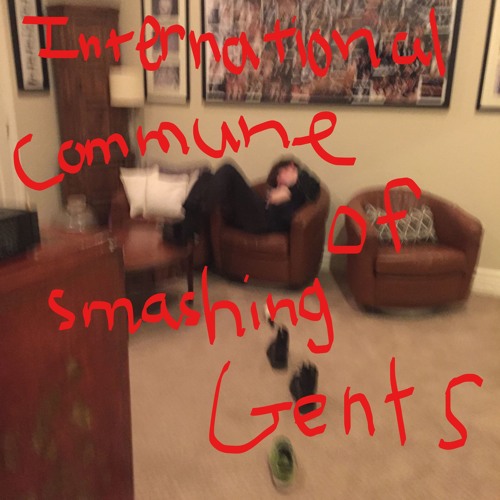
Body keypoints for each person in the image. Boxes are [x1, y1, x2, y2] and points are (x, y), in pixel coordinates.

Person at [178, 158, 320, 242]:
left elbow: (314, 188)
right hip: (252, 214)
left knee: (228, 169)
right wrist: (275, 195)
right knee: (207, 176)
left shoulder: (302, 188)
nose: (278, 180)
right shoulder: (280, 189)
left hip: (263, 220)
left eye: (279, 174)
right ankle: (190, 215)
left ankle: (192, 217)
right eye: (278, 176)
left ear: (291, 167)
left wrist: (291, 188)